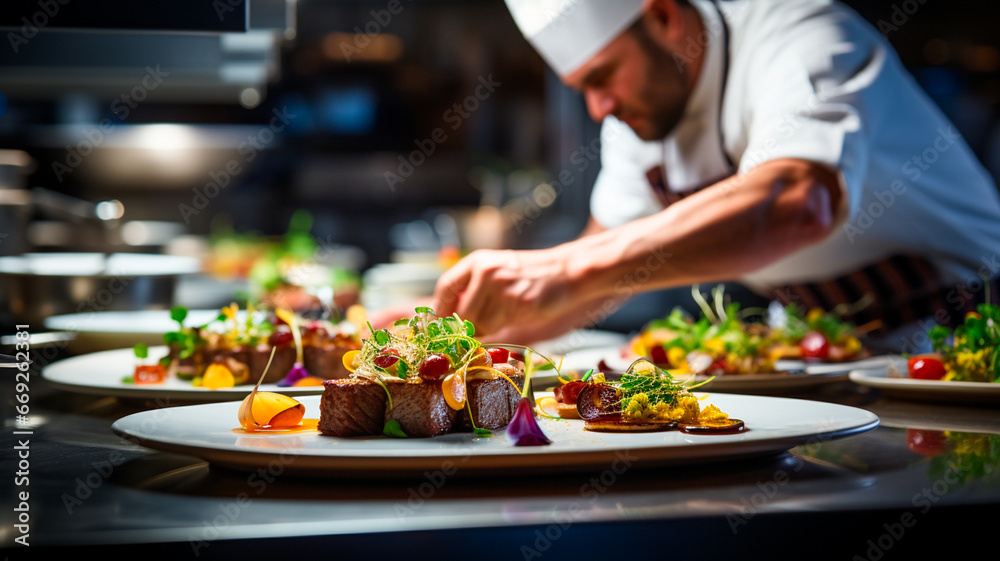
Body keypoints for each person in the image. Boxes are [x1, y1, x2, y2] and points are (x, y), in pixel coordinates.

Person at [423, 0, 1000, 351]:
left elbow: (798, 201)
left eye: (603, 77)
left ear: (664, 17)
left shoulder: (803, 36)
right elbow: (588, 286)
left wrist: (563, 266)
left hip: (969, 346)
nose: (598, 109)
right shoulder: (641, 118)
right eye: (583, 90)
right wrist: (432, 331)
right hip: (832, 361)